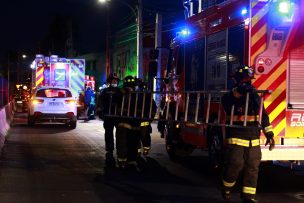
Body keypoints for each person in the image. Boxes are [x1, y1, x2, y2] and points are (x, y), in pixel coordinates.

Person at [221, 65, 275, 203]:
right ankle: (226, 188)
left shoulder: (255, 96)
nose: (246, 82)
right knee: (236, 164)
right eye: (243, 79)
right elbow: (227, 103)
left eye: (248, 79)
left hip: (253, 137)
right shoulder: (229, 96)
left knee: (252, 167)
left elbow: (263, 115)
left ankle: (248, 197)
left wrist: (269, 134)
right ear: (237, 80)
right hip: (236, 136)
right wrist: (238, 92)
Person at [115, 75, 141, 168]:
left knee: (122, 141)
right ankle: (131, 160)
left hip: (123, 121)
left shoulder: (120, 93)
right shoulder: (139, 93)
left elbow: (114, 103)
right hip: (135, 122)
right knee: (133, 141)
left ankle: (123, 159)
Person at [97, 73, 120, 161]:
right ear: (110, 81)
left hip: (118, 116)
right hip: (108, 116)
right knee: (108, 133)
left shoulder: (120, 91)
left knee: (119, 134)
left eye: (116, 80)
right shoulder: (105, 91)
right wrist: (100, 110)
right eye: (113, 80)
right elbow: (100, 102)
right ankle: (109, 149)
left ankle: (119, 149)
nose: (114, 81)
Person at [136, 79, 156, 156]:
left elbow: (153, 107)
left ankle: (141, 150)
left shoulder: (136, 94)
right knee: (144, 135)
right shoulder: (145, 95)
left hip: (140, 119)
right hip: (142, 119)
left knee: (141, 135)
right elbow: (153, 107)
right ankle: (143, 150)